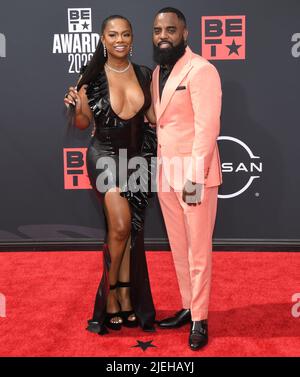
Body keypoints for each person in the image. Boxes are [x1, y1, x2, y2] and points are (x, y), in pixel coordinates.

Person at [64, 15, 157, 334]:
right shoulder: (90, 77)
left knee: (132, 232)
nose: (120, 39)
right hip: (104, 156)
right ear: (103, 40)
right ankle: (111, 298)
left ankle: (128, 296)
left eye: (126, 34)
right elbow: (81, 123)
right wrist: (76, 106)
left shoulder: (145, 74)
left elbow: (153, 117)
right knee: (119, 226)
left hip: (137, 160)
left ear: (133, 39)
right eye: (113, 34)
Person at [152, 7, 222, 350]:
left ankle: (200, 318)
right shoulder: (157, 73)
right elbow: (159, 119)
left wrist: (194, 178)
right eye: (157, 30)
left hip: (195, 176)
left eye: (170, 30)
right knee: (179, 248)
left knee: (198, 251)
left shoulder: (202, 70)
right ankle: (187, 306)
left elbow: (207, 130)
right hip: (166, 174)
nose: (163, 36)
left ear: (185, 33)